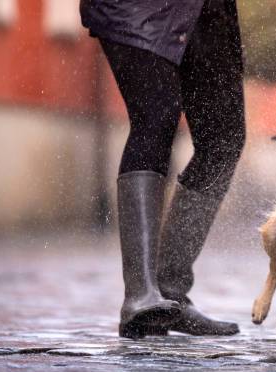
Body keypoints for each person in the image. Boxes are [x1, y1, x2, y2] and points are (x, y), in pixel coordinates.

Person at [80, 0, 245, 338]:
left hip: (205, 12)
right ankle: (140, 296)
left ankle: (169, 292)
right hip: (139, 9)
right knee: (156, 117)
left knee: (223, 137)